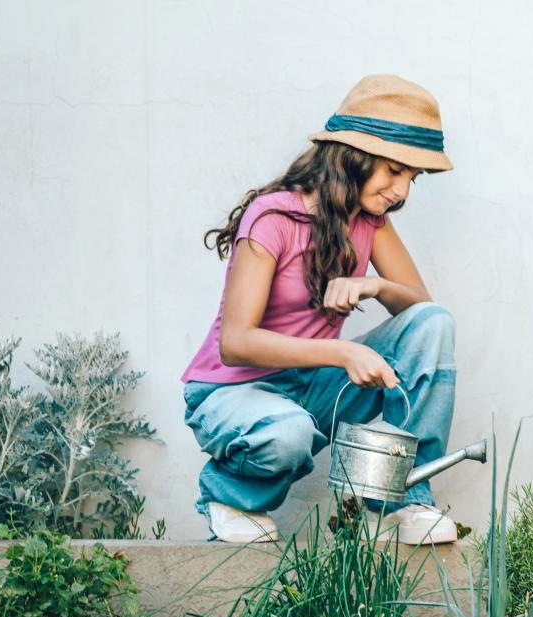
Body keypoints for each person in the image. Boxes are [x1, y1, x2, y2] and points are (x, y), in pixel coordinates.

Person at [181, 74, 463, 545]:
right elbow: (236, 342)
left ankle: (399, 500)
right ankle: (227, 494)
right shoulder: (273, 217)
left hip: (308, 386)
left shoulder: (371, 222)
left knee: (433, 324)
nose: (403, 191)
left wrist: (373, 283)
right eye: (394, 170)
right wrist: (343, 354)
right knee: (288, 435)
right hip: (230, 390)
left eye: (412, 178)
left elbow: (422, 309)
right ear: (355, 155)